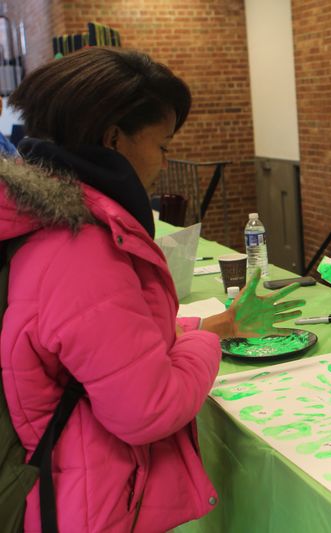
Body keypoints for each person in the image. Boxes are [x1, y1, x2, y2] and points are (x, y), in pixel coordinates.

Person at [1, 47, 302, 532]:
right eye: (162, 146)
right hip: (90, 503)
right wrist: (207, 343)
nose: (164, 163)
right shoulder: (83, 248)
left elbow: (104, 345)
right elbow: (149, 408)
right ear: (113, 139)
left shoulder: (46, 220)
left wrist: (214, 324)